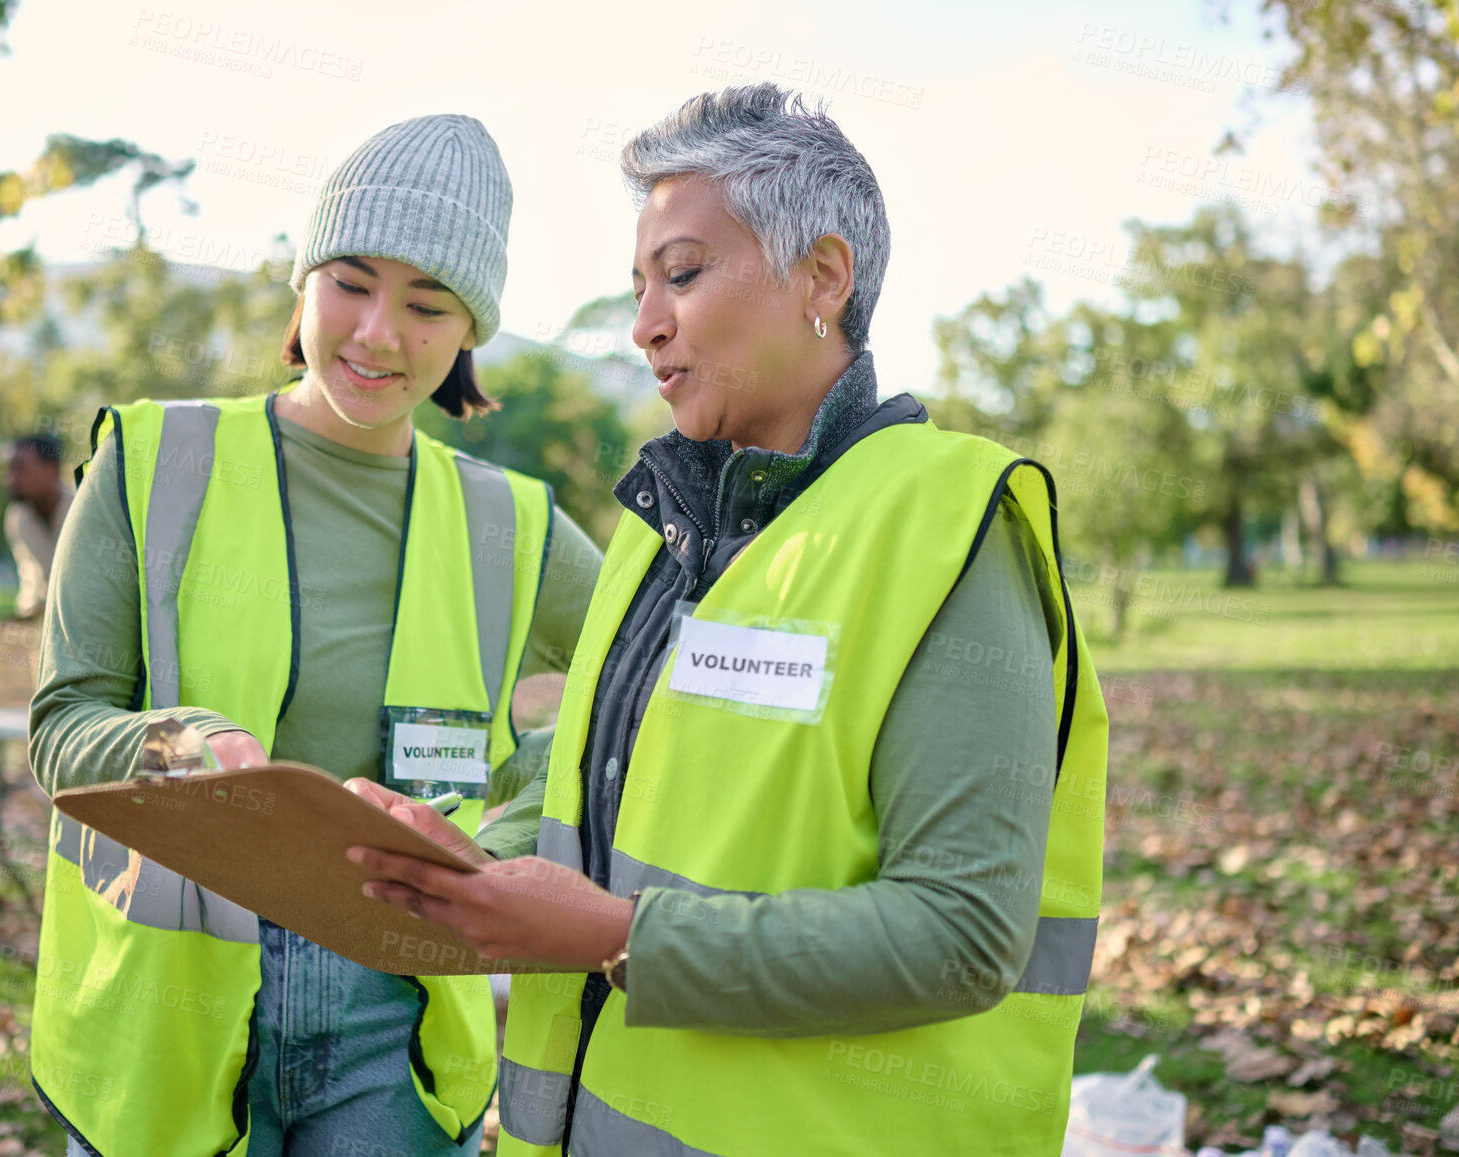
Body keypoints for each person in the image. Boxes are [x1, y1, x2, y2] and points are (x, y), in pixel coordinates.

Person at [348, 84, 1111, 1157]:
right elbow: (613, 809)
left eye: (684, 273)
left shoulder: (949, 530)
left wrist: (619, 939)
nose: (644, 322)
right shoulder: (656, 532)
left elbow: (963, 932)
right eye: (639, 284)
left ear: (825, 278)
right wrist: (467, 859)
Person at [25, 114, 604, 1157]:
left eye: (428, 303)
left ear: (469, 328)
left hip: (401, 1017)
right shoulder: (151, 461)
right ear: (302, 282)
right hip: (167, 1011)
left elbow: (639, 699)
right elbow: (64, 724)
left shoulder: (511, 523)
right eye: (350, 281)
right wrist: (185, 743)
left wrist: (501, 838)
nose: (379, 332)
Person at [3, 434, 73, 619]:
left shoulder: (83, 509)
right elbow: (31, 580)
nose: (11, 480)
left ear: (51, 470)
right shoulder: (17, 517)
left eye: (20, 469)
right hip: (38, 622)